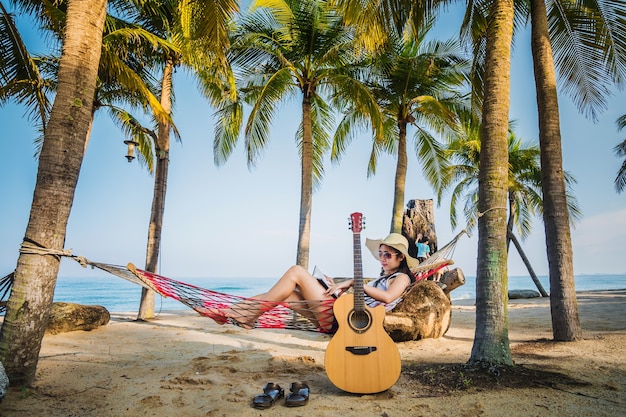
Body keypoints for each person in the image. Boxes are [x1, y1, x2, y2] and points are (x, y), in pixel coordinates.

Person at [207, 233, 419, 331]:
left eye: (388, 255)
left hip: (347, 321)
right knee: (288, 294)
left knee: (296, 272)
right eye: (380, 254)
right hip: (339, 314)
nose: (382, 258)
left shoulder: (401, 277)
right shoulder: (383, 277)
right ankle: (239, 313)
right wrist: (331, 285)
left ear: (401, 257)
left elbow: (389, 297)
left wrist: (354, 282)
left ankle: (237, 313)